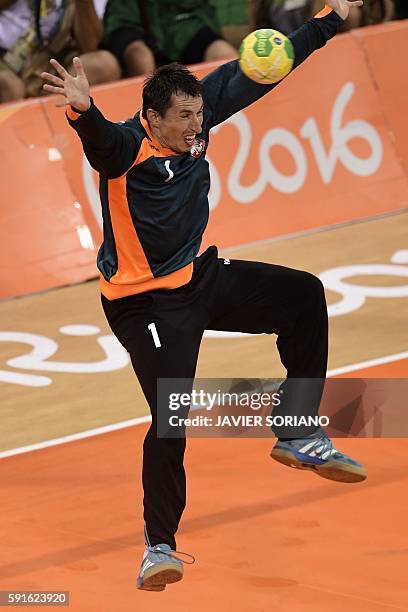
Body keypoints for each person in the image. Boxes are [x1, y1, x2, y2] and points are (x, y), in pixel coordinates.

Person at [41, 0, 367, 592]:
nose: (197, 126)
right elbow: (101, 144)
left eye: (199, 113)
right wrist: (85, 110)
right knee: (173, 414)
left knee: (304, 296)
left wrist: (331, 17)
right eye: (185, 117)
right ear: (152, 117)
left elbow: (267, 69)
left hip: (196, 278)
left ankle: (296, 429)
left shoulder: (200, 119)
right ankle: (158, 546)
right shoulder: (124, 149)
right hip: (142, 304)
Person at [0, 0, 119, 103]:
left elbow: (89, 45)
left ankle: (48, 119)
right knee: (10, 86)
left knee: (103, 65)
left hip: (55, 58)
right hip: (6, 58)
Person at [103, 0, 237, 78]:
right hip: (133, 19)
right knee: (141, 57)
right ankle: (143, 115)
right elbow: (119, 25)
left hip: (184, 27)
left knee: (223, 52)